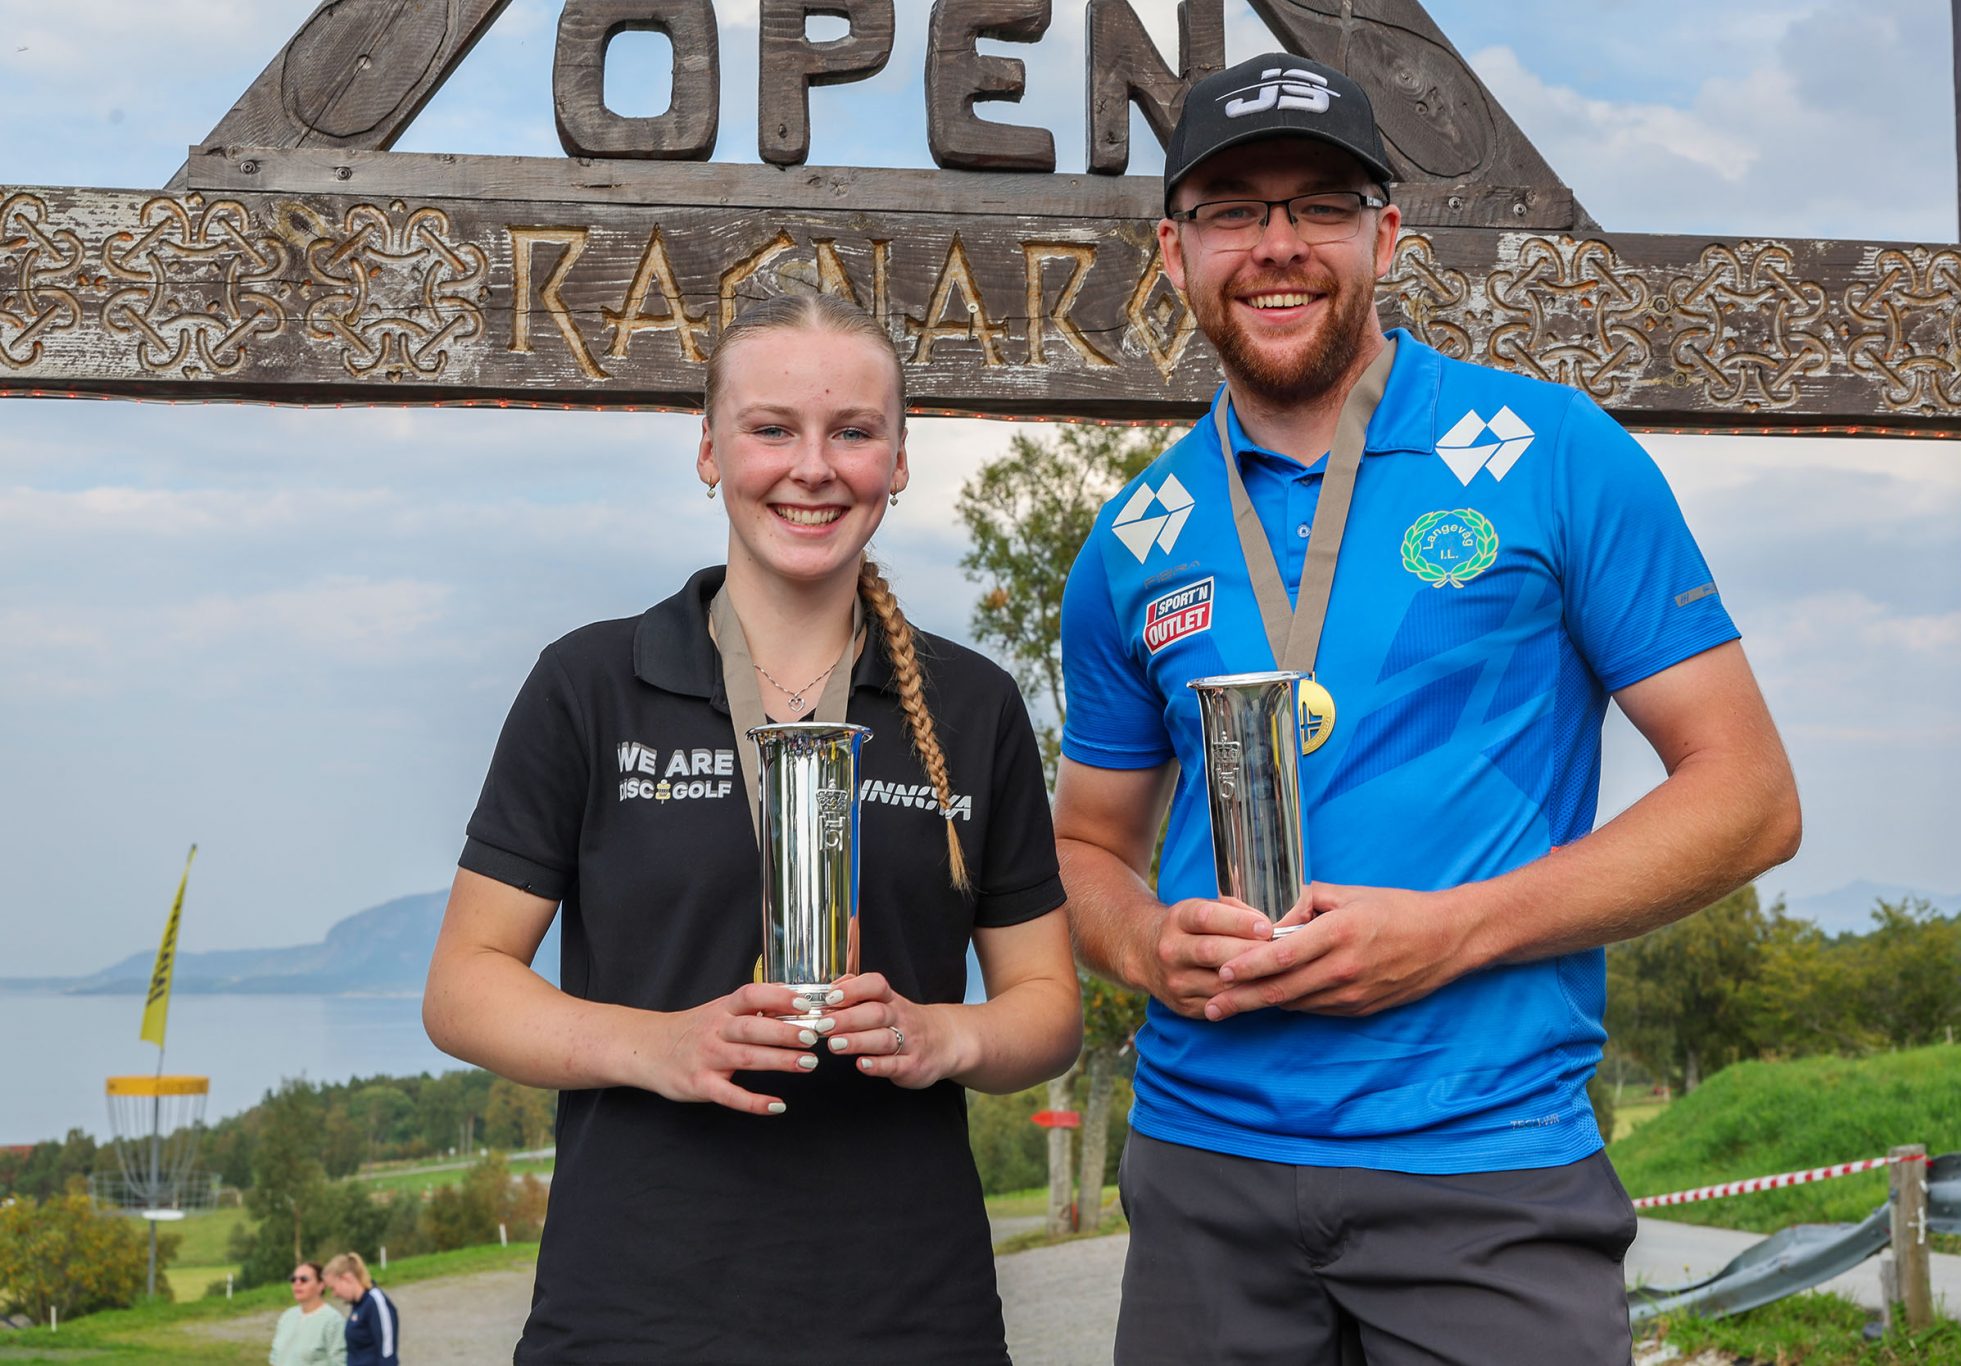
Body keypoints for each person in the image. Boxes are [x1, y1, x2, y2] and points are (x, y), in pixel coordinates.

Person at [1054, 52, 1801, 1366]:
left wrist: (1454, 932)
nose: (1276, 245)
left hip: (1486, 1166)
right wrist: (1148, 944)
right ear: (1173, 253)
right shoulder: (1132, 537)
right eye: (1231, 209)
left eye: (1319, 205)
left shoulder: (1554, 451)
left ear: (1385, 236)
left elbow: (1748, 798)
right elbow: (1085, 848)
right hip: (1203, 1171)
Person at [423, 292, 1082, 1363]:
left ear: (898, 461)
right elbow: (462, 987)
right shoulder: (590, 685)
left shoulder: (974, 706)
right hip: (634, 1315)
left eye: (852, 432)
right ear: (709, 450)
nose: (811, 468)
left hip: (913, 1316)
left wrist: (942, 1035)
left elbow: (1047, 1008)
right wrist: (660, 1045)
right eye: (772, 428)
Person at [323, 1252, 397, 1366]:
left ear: (346, 1278)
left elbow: (387, 1353)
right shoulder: (357, 1305)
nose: (334, 1294)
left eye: (333, 1288)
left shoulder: (374, 1301)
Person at [269, 1260, 345, 1366]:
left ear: (321, 1285)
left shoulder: (333, 1321)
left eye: (304, 1279)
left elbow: (340, 1362)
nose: (297, 1283)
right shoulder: (287, 1317)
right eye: (293, 1279)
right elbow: (275, 1357)